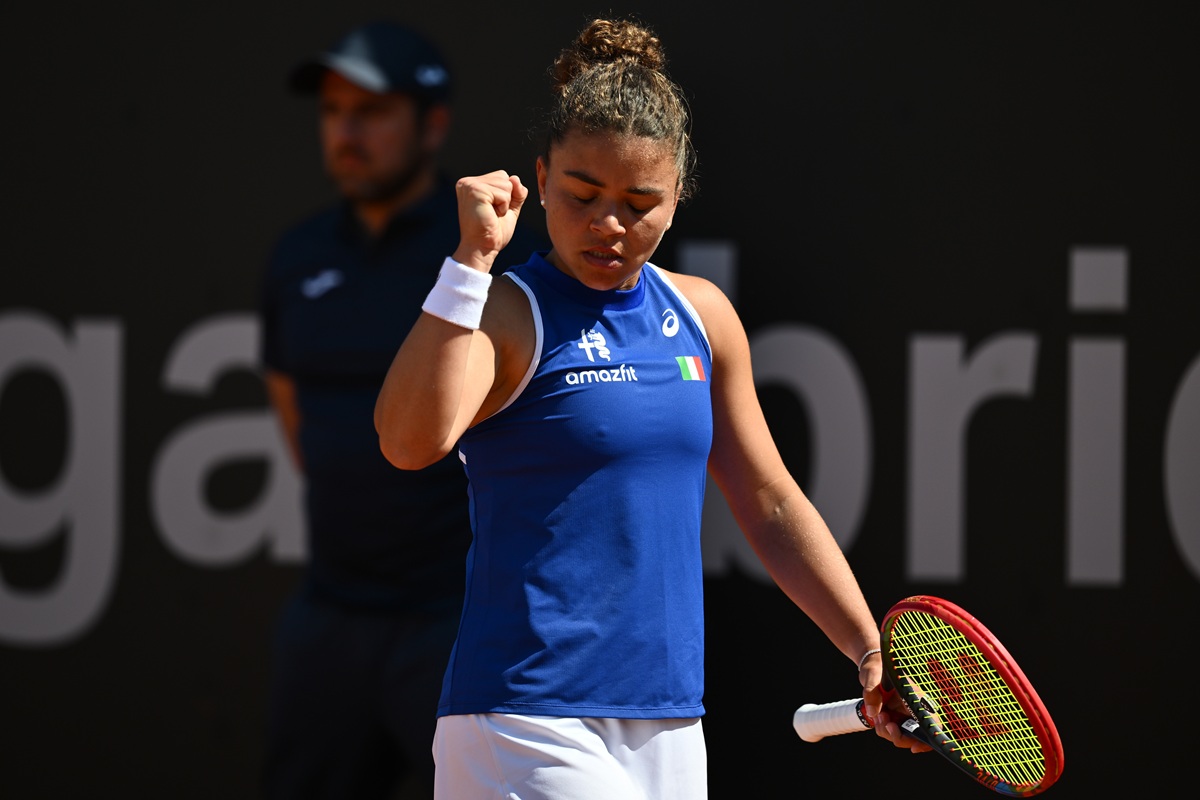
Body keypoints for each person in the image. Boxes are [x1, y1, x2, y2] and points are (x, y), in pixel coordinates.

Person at [373, 16, 929, 799]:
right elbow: (406, 441)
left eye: (640, 202)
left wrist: (869, 650)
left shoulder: (702, 317)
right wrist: (469, 262)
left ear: (677, 198)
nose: (608, 224)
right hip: (525, 722)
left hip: (669, 726)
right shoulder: (508, 311)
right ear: (540, 176)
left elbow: (769, 502)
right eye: (581, 194)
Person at [257, 19, 545, 800]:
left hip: (457, 624)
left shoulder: (485, 259)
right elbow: (298, 421)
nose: (347, 132)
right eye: (333, 111)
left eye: (372, 111)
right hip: (329, 619)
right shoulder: (297, 257)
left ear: (433, 125)